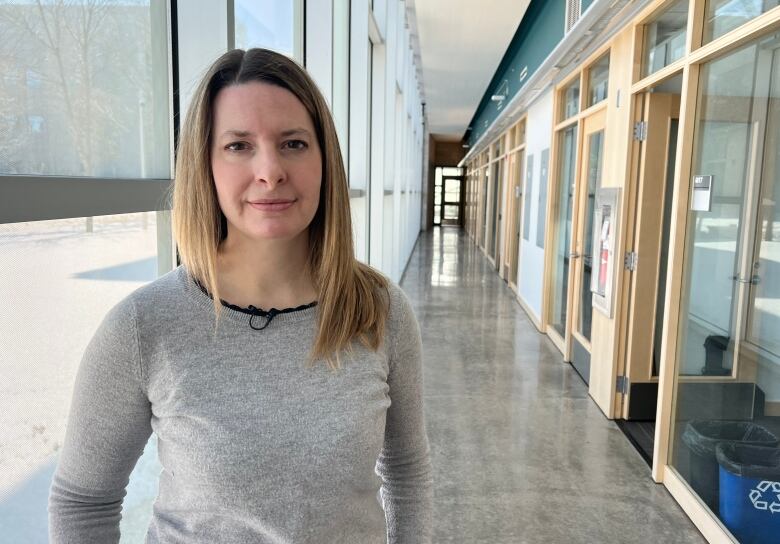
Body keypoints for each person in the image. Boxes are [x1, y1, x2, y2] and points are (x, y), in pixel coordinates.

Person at [48, 48, 432, 543]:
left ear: (324, 160)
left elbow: (407, 471)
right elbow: (83, 501)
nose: (270, 171)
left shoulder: (380, 311)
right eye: (238, 146)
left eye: (293, 143)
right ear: (204, 164)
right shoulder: (144, 326)